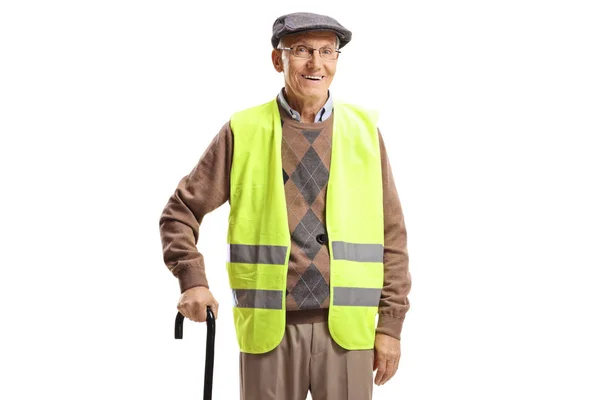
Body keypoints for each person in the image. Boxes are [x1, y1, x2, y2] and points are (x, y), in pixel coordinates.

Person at [159, 12, 411, 400]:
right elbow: (179, 211)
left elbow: (391, 235)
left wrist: (390, 325)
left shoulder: (364, 132)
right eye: (302, 51)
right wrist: (192, 280)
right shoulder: (244, 130)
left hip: (349, 331)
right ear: (278, 60)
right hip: (268, 332)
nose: (316, 63)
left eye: (328, 51)